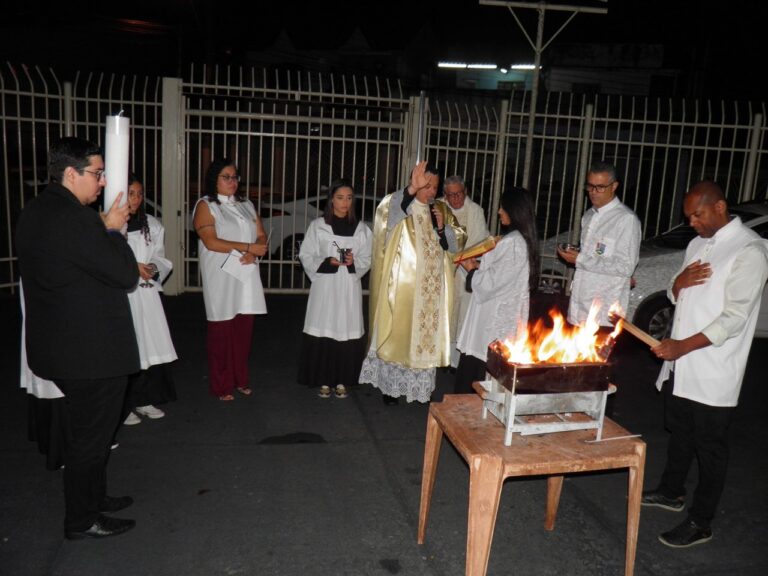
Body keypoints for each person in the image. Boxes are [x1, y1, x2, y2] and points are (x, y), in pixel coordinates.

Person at [15, 136, 139, 539]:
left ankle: (94, 498)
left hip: (62, 347)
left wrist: (100, 227)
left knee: (90, 434)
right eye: (97, 173)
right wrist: (116, 232)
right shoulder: (76, 219)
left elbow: (73, 259)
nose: (102, 182)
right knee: (91, 438)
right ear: (71, 173)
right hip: (90, 354)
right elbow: (125, 275)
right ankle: (82, 519)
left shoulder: (39, 210)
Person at [643, 181, 768, 548]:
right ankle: (671, 491)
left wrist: (682, 346)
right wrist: (677, 284)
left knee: (710, 447)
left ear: (719, 207)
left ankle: (701, 521)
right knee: (680, 431)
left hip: (714, 368)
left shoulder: (750, 250)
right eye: (689, 217)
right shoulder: (698, 244)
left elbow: (734, 319)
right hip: (682, 364)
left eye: (697, 215)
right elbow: (675, 292)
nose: (692, 222)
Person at [359, 161, 466, 404]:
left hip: (431, 291)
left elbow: (455, 242)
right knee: (400, 333)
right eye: (426, 185)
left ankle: (420, 389)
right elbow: (386, 220)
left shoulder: (441, 209)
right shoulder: (398, 205)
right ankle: (390, 387)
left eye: (434, 187)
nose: (431, 191)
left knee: (424, 338)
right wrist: (409, 190)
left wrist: (442, 229)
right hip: (403, 286)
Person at [193, 159, 268, 401]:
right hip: (221, 274)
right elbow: (210, 241)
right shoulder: (206, 205)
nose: (232, 182)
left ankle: (240, 379)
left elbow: (260, 234)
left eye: (235, 177)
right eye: (226, 177)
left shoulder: (246, 204)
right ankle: (221, 385)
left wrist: (253, 250)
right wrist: (247, 247)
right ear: (214, 179)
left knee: (243, 329)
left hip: (245, 271)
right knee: (221, 330)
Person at [454, 187, 539, 393]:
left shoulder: (514, 244)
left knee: (479, 381)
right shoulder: (515, 240)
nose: (499, 211)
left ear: (515, 210)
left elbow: (491, 283)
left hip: (492, 323)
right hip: (494, 316)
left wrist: (472, 268)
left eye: (503, 207)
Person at [297, 179, 373, 399]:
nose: (345, 202)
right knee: (325, 326)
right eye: (340, 198)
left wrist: (353, 261)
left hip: (348, 286)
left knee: (345, 328)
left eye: (349, 198)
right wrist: (325, 262)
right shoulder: (318, 226)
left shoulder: (361, 229)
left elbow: (367, 257)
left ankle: (342, 379)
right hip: (325, 286)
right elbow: (306, 254)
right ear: (331, 199)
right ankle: (323, 379)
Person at [122, 174, 178, 425]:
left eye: (139, 193)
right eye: (131, 193)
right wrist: (132, 267)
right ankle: (123, 405)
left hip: (146, 295)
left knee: (147, 348)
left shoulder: (151, 224)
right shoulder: (108, 224)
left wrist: (153, 268)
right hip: (123, 297)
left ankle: (143, 398)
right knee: (127, 348)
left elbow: (160, 256)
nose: (136, 198)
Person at [557, 160, 641, 326]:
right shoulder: (588, 216)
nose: (594, 192)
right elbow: (596, 254)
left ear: (614, 186)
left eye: (600, 187)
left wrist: (580, 259)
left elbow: (626, 267)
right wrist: (576, 253)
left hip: (604, 313)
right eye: (590, 186)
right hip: (579, 306)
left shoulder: (626, 220)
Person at [438, 175, 490, 368]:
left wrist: (459, 257)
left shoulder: (475, 211)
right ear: (445, 195)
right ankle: (439, 358)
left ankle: (456, 363)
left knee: (462, 317)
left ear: (465, 191)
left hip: (465, 270)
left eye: (459, 194)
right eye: (450, 195)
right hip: (443, 272)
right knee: (443, 315)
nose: (455, 199)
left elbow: (478, 240)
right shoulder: (438, 208)